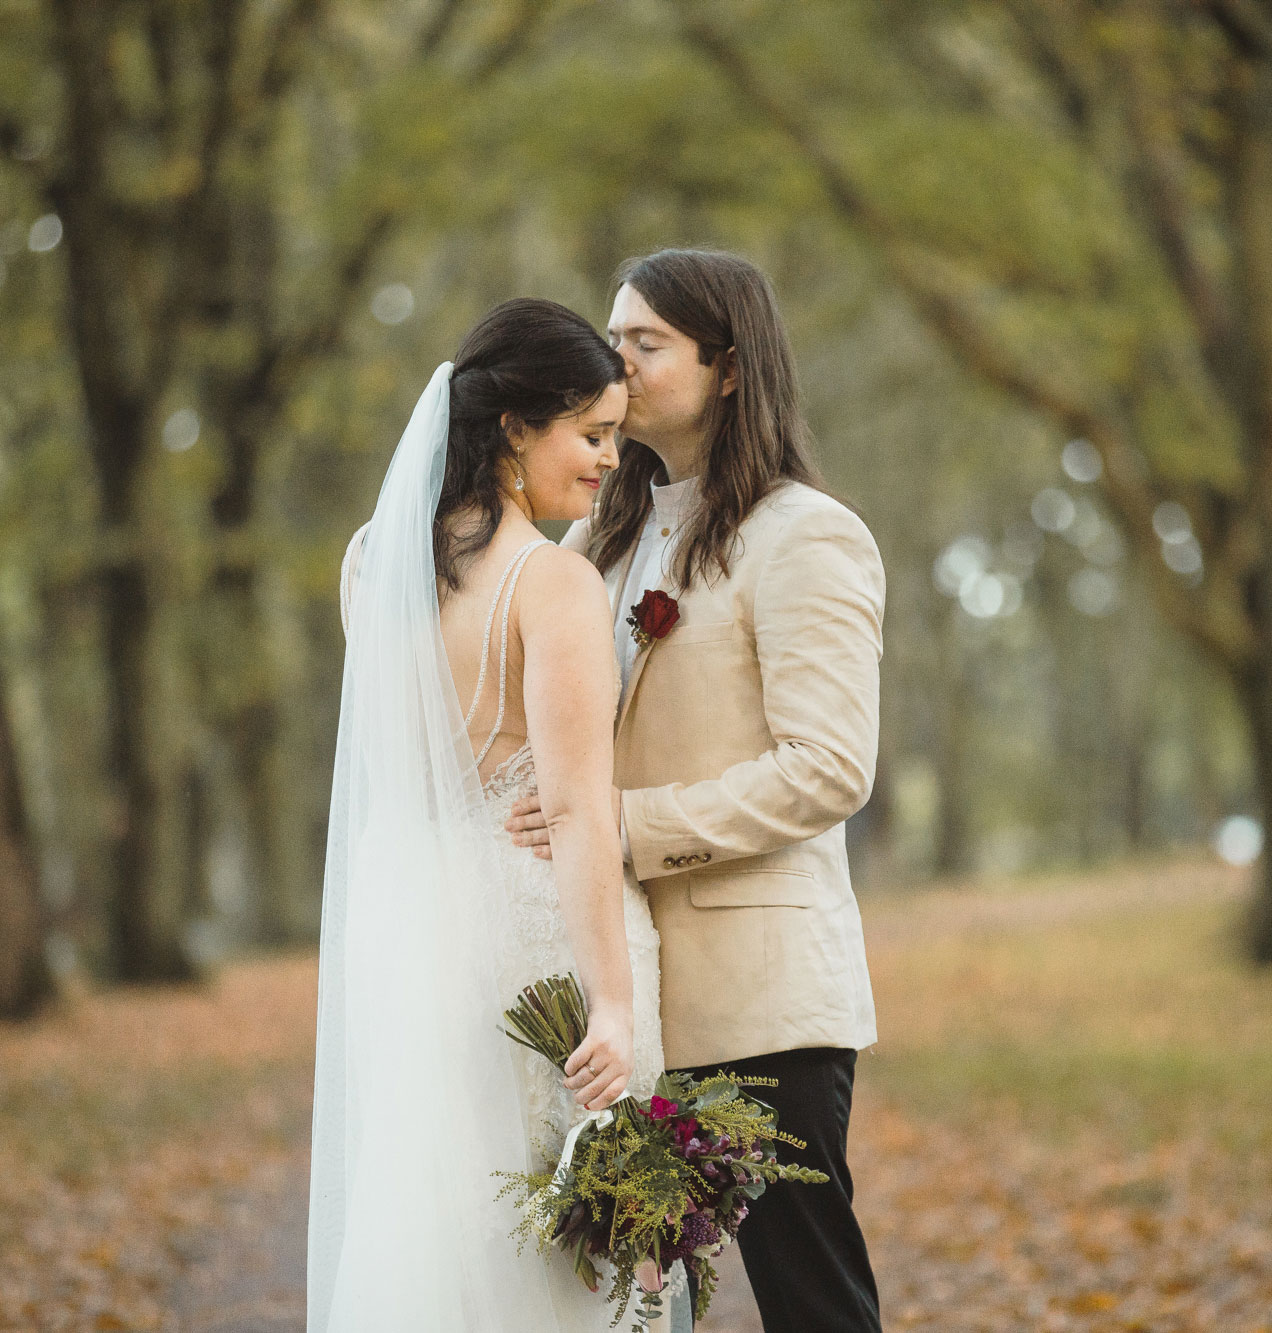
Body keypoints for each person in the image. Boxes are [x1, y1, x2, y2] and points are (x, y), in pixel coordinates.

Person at [508, 249, 886, 1333]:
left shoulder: (806, 536)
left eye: (643, 343)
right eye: (609, 336)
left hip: (758, 992)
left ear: (727, 366)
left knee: (806, 1297)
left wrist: (625, 827)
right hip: (621, 989)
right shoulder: (598, 536)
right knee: (631, 1306)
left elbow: (827, 767)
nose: (612, 361)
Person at [307, 298, 666, 1332]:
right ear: (512, 426)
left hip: (420, 943)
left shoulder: (373, 561)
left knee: (453, 1224)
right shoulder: (550, 583)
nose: (607, 461)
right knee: (562, 1257)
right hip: (535, 948)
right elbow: (576, 810)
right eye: (590, 433)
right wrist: (610, 1003)